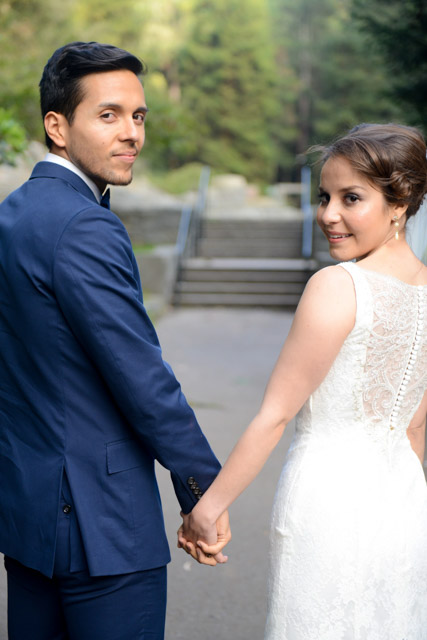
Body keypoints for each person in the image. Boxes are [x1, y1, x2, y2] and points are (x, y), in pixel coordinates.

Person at [0, 41, 230, 640]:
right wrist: (203, 489)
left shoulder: (14, 215)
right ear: (57, 126)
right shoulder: (85, 226)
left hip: (28, 522)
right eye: (108, 115)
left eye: (138, 116)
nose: (131, 133)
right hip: (101, 529)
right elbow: (142, 378)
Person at [179, 123, 427, 638]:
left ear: (399, 201)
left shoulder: (338, 286)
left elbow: (275, 415)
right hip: (404, 503)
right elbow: (414, 430)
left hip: (328, 502)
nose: (327, 215)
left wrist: (208, 509)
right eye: (325, 196)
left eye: (350, 198)